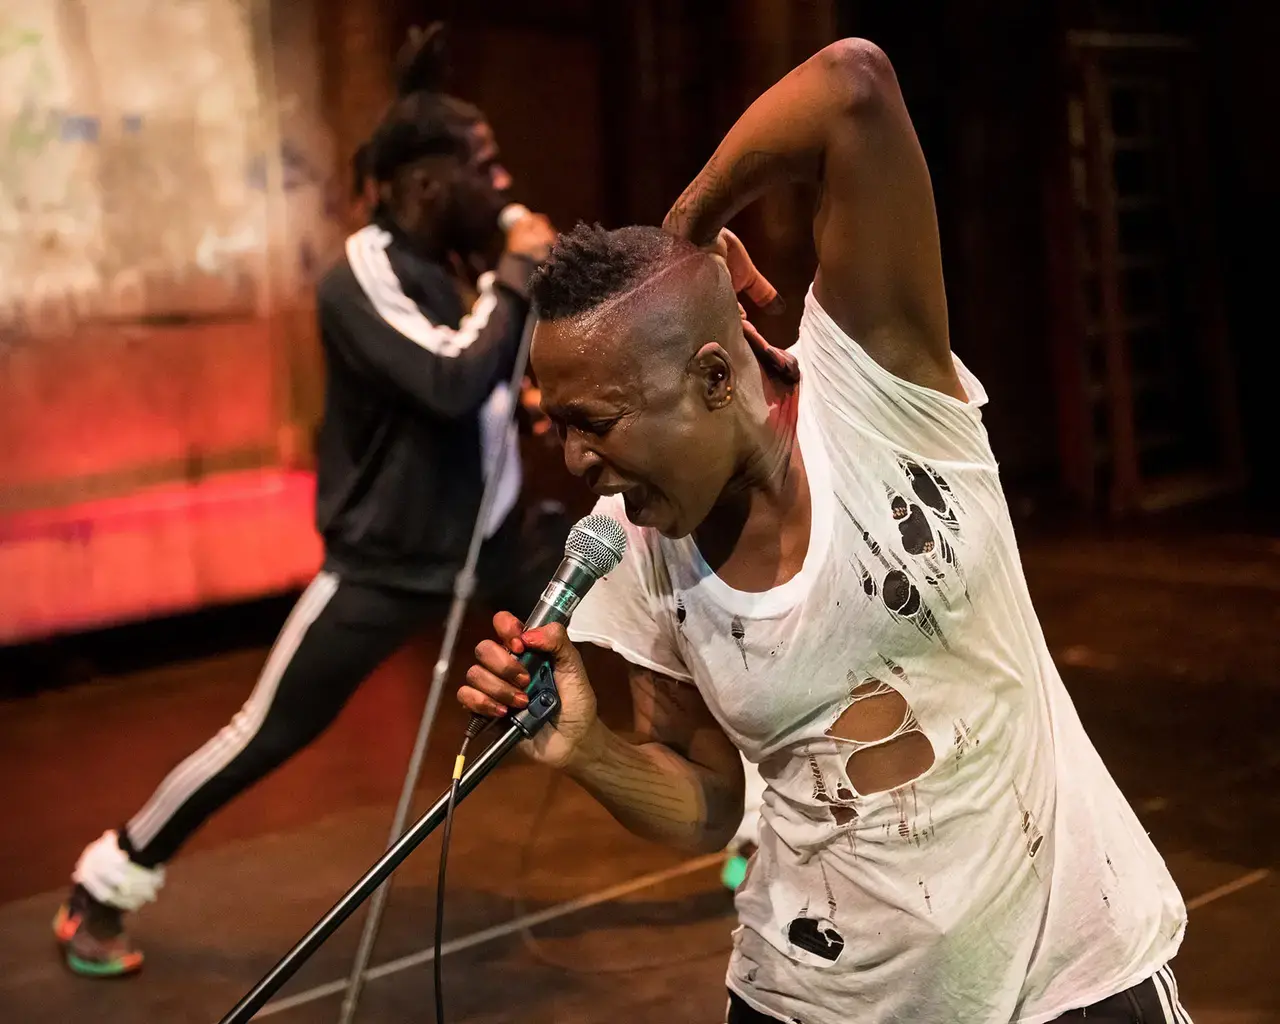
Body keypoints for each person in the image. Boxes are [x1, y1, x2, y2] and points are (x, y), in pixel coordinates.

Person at [458, 38, 1192, 1024]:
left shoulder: (874, 385)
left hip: (1065, 982)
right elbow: (710, 805)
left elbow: (851, 87)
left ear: (714, 378)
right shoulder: (632, 544)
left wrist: (685, 236)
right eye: (556, 424)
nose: (574, 460)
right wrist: (588, 749)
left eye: (595, 422)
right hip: (811, 997)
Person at [53, 66, 560, 977]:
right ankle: (105, 883)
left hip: (491, 549)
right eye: (484, 167)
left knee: (654, 617)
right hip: (388, 569)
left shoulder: (450, 270)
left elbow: (469, 392)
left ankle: (764, 829)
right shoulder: (359, 276)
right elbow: (447, 383)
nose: (504, 185)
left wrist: (523, 404)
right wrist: (518, 272)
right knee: (268, 732)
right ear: (428, 182)